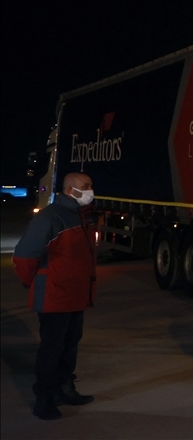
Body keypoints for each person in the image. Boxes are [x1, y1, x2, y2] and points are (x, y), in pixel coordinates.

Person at [13, 172, 99, 420]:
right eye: (86, 186)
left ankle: (64, 389)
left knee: (69, 345)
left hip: (75, 296)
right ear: (71, 190)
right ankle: (44, 399)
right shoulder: (52, 217)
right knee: (51, 349)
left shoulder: (81, 215)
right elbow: (25, 255)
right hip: (55, 297)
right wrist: (31, 282)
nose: (90, 190)